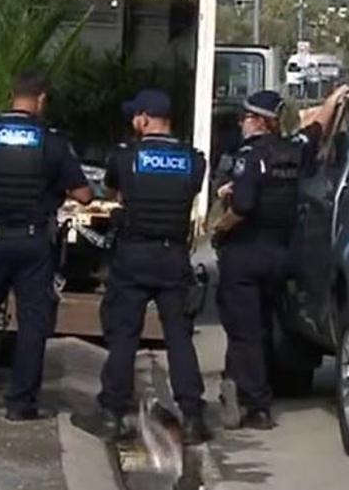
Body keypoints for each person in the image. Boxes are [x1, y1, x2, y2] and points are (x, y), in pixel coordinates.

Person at [0, 69, 94, 421]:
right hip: (33, 245)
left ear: (12, 94)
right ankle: (20, 403)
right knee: (32, 324)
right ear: (41, 99)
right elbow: (85, 195)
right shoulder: (52, 140)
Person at [213, 86, 348, 430]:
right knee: (261, 325)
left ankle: (254, 404)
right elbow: (317, 126)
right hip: (280, 255)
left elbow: (243, 207)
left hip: (245, 253)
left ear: (259, 121)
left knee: (244, 331)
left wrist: (219, 228)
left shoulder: (249, 156)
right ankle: (241, 390)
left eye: (245, 117)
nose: (242, 123)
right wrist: (336, 98)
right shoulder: (293, 150)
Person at [97, 89, 211, 444]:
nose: (133, 122)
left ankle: (113, 415)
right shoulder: (194, 161)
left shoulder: (125, 156)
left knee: (123, 336)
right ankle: (192, 416)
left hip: (133, 255)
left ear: (144, 119)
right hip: (173, 256)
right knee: (179, 338)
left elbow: (114, 191)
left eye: (135, 116)